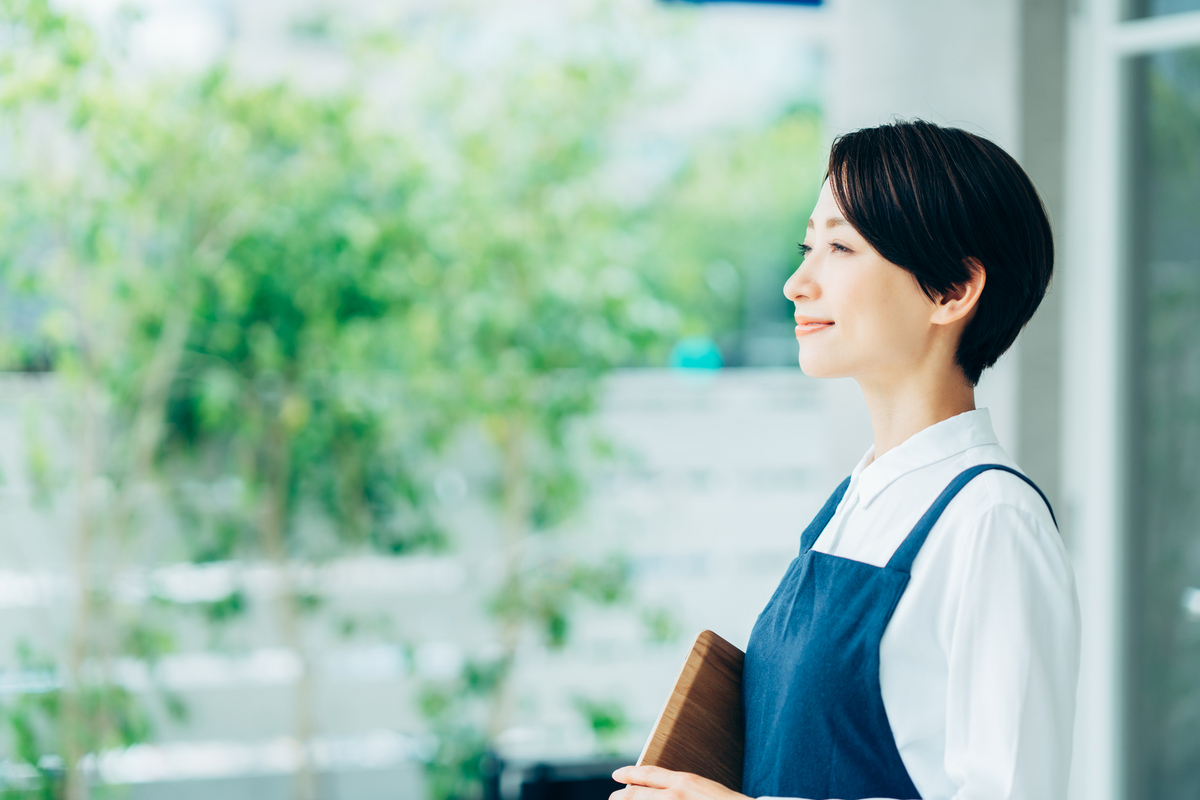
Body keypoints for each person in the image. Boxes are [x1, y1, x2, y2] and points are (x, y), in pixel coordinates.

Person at [611, 119, 1080, 800]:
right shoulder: (855, 501)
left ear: (952, 290)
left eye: (839, 247)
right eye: (808, 246)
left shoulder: (991, 521)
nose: (798, 283)